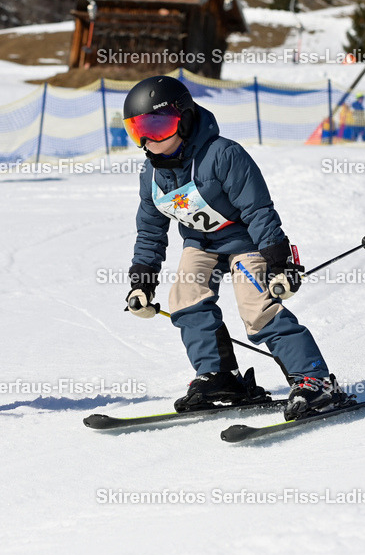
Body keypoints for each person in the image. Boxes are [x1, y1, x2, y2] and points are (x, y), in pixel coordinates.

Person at [122, 76, 344, 421]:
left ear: (184, 119)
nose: (148, 140)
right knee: (185, 298)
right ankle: (219, 377)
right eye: (138, 130)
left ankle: (314, 379)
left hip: (245, 241)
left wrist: (279, 264)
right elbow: (150, 230)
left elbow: (258, 210)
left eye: (158, 126)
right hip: (201, 243)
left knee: (256, 308)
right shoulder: (151, 174)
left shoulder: (223, 154)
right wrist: (142, 282)